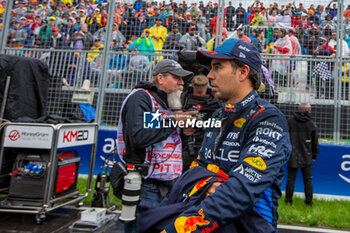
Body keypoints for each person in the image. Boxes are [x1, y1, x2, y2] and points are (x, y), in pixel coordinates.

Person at [160, 38, 292, 233]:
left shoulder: (268, 119)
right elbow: (197, 170)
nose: (209, 75)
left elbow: (239, 191)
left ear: (243, 72)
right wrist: (210, 184)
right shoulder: (219, 115)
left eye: (217, 67)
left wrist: (177, 230)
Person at [116, 59, 197, 233]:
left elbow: (162, 137)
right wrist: (174, 121)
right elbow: (139, 135)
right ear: (160, 78)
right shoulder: (140, 97)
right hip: (147, 185)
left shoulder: (167, 102)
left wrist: (185, 133)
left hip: (169, 185)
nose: (182, 83)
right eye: (177, 78)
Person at [285, 103, 319, 206]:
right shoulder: (311, 124)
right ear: (308, 110)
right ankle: (308, 203)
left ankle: (288, 201)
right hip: (307, 155)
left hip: (292, 155)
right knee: (308, 180)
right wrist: (314, 155)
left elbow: (284, 139)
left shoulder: (289, 122)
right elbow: (315, 142)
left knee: (290, 179)